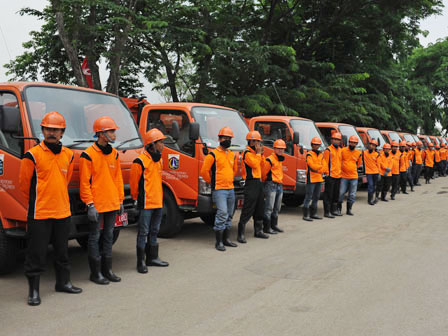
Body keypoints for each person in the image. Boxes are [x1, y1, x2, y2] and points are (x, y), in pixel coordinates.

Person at [19, 112, 82, 306]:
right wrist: (41, 201)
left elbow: (65, 180)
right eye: (48, 129)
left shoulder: (69, 156)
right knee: (36, 253)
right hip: (40, 213)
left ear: (62, 132)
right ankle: (34, 292)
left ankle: (63, 283)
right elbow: (24, 185)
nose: (52, 133)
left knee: (63, 251)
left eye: (56, 130)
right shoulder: (32, 156)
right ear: (43, 131)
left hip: (63, 212)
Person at [80, 116, 124, 284]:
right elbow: (85, 183)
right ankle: (96, 273)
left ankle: (108, 271)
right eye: (111, 131)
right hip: (97, 205)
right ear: (101, 133)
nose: (114, 134)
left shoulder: (114, 154)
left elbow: (118, 179)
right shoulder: (88, 155)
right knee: (94, 237)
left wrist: (120, 200)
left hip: (112, 203)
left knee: (108, 236)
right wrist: (90, 204)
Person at [131, 128, 170, 270]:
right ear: (152, 144)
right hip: (146, 204)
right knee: (143, 232)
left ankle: (153, 258)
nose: (163, 145)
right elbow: (134, 184)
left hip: (157, 202)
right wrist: (137, 199)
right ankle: (140, 262)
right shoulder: (139, 161)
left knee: (154, 230)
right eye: (161, 142)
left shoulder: (159, 160)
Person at [200, 127, 238, 251]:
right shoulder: (213, 155)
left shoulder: (232, 155)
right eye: (225, 138)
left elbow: (234, 170)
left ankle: (226, 239)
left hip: (230, 189)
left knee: (229, 215)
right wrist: (212, 182)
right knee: (222, 213)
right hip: (219, 189)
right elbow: (204, 171)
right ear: (219, 139)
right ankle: (219, 242)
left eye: (229, 138)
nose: (227, 140)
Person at [237, 131, 268, 243]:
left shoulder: (256, 154)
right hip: (250, 183)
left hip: (258, 182)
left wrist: (261, 154)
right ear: (251, 141)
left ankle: (258, 231)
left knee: (260, 207)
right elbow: (254, 164)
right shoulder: (247, 153)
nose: (258, 144)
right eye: (257, 142)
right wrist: (259, 154)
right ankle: (241, 233)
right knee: (248, 207)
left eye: (259, 142)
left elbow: (263, 166)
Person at [262, 139, 286, 232]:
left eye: (282, 149)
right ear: (274, 149)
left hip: (279, 185)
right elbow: (263, 174)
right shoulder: (270, 159)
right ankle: (267, 228)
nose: (281, 150)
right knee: (269, 207)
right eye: (278, 148)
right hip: (271, 185)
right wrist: (267, 183)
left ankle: (274, 225)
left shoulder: (279, 159)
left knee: (277, 207)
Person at [303, 137, 325, 221]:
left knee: (316, 197)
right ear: (312, 145)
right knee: (308, 196)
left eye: (318, 144)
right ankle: (306, 215)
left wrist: (319, 168)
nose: (316, 146)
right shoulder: (309, 154)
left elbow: (324, 166)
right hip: (311, 179)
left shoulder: (321, 154)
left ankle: (314, 214)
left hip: (319, 178)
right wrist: (320, 167)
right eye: (315, 144)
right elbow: (312, 166)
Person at [338, 135, 362, 215]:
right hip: (344, 176)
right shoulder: (343, 150)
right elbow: (339, 161)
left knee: (352, 194)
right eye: (351, 142)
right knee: (341, 193)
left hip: (354, 177)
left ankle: (349, 209)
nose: (353, 144)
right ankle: (338, 209)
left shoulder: (358, 153)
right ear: (349, 142)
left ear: (356, 144)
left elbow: (358, 164)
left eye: (354, 143)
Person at [322, 132, 343, 217]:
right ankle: (327, 212)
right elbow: (325, 162)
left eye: (338, 140)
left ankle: (334, 210)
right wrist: (326, 173)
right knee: (328, 195)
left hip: (338, 176)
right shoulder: (328, 150)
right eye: (335, 139)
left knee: (336, 194)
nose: (337, 141)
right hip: (330, 176)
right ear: (332, 140)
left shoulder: (340, 150)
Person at [362, 139, 380, 205]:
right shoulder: (364, 152)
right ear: (369, 145)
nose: (372, 146)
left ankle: (373, 197)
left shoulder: (377, 154)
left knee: (374, 186)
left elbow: (378, 164)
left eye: (374, 145)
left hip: (375, 172)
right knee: (370, 185)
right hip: (368, 172)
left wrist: (379, 173)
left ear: (375, 147)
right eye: (371, 144)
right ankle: (370, 200)